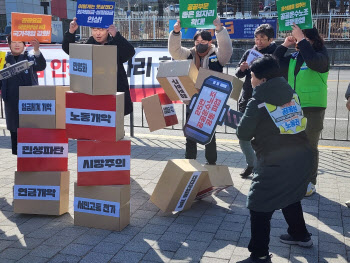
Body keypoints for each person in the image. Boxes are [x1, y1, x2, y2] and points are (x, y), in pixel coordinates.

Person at [236, 55, 313, 263]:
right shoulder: (292, 93)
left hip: (275, 160)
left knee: (258, 204)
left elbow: (243, 133)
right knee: (291, 193)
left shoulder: (258, 102)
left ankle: (260, 255)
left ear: (261, 80)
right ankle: (301, 235)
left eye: (252, 76)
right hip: (302, 156)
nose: (251, 80)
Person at [274, 24, 329, 197]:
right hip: (293, 107)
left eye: (303, 39)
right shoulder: (294, 56)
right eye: (298, 39)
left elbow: (314, 62)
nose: (299, 42)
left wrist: (302, 40)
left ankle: (309, 182)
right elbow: (273, 62)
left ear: (312, 39)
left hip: (313, 108)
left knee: (309, 147)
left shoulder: (321, 55)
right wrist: (284, 45)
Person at [168, 17, 233, 164]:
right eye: (197, 42)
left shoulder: (217, 55)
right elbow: (175, 51)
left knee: (209, 133)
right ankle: (190, 161)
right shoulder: (189, 54)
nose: (200, 45)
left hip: (211, 100)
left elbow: (227, 49)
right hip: (193, 99)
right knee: (190, 132)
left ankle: (211, 162)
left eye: (203, 42)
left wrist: (219, 30)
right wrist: (176, 33)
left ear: (210, 42)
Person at [62, 18, 135, 116]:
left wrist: (116, 35)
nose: (98, 34)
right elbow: (68, 48)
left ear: (107, 30)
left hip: (114, 89)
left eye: (101, 30)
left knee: (116, 124)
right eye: (95, 30)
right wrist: (71, 32)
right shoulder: (88, 45)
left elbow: (130, 52)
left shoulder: (115, 43)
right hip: (93, 93)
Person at [236, 24, 277, 178]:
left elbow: (277, 73)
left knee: (263, 135)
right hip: (247, 97)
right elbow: (238, 74)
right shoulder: (249, 52)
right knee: (243, 134)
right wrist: (242, 68)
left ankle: (262, 167)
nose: (259, 42)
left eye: (263, 39)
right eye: (257, 38)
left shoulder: (275, 52)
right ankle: (251, 163)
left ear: (271, 39)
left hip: (266, 99)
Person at [0, 36, 46, 155]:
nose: (16, 45)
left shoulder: (30, 57)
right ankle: (19, 160)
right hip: (11, 101)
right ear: (9, 44)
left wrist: (36, 50)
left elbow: (41, 66)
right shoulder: (2, 59)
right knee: (14, 129)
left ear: (24, 44)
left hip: (29, 101)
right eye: (13, 42)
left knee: (30, 129)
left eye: (19, 42)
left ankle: (32, 159)